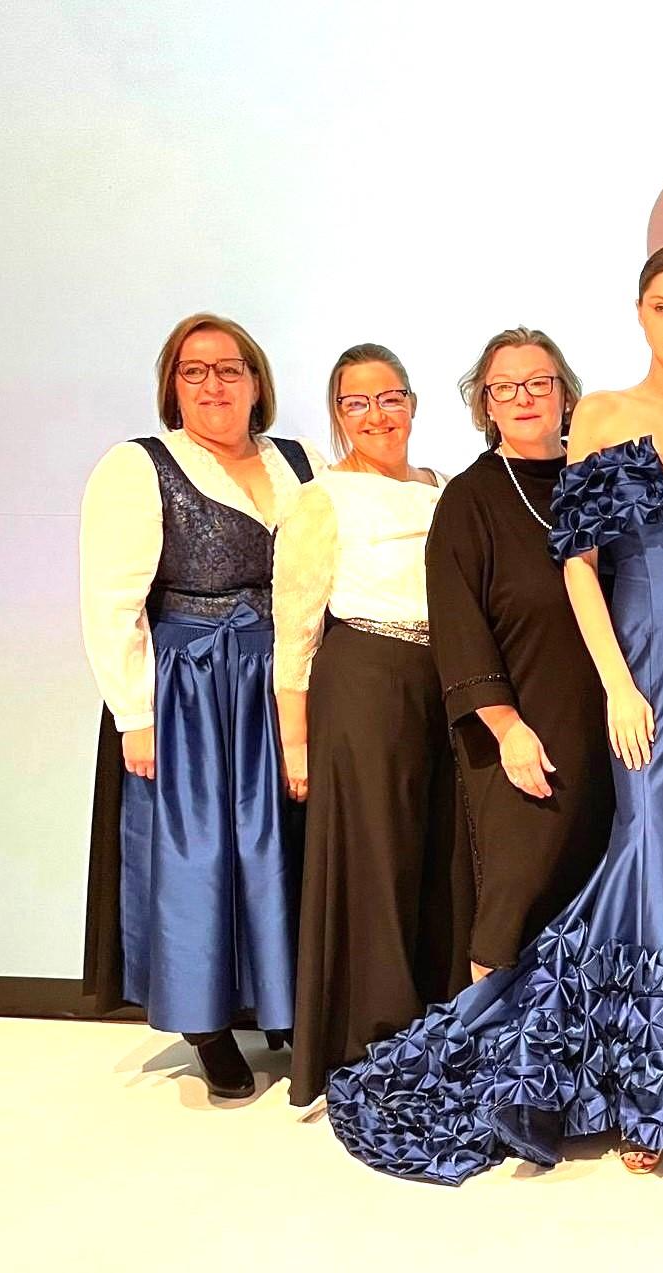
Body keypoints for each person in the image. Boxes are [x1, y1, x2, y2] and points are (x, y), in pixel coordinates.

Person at [327, 248, 663, 1184]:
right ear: (640, 314)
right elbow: (579, 564)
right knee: (650, 840)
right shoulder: (600, 416)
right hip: (641, 662)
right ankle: (651, 1091)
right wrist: (617, 684)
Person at [80, 312, 322, 1100]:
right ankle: (206, 1025)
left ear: (256, 381)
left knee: (279, 846)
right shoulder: (139, 466)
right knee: (198, 854)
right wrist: (135, 715)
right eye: (194, 371)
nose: (213, 384)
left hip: (279, 678)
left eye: (229, 369)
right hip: (191, 684)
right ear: (172, 387)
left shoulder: (299, 462)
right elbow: (111, 600)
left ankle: (286, 1007)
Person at [274, 344, 471, 1108]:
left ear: (413, 404)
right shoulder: (322, 497)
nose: (376, 415)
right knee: (377, 865)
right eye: (356, 403)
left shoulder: (443, 488)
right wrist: (296, 742)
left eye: (389, 398)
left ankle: (437, 1034)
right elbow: (294, 628)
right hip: (364, 677)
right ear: (337, 415)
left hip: (441, 679)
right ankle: (376, 1046)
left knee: (441, 861)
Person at [424, 328, 613, 980]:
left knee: (596, 898)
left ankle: (571, 1036)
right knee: (516, 894)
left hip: (609, 728)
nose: (524, 398)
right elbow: (458, 628)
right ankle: (491, 1037)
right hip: (520, 731)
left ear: (566, 395)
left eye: (538, 382)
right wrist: (507, 729)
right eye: (505, 387)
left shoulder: (600, 484)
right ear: (486, 404)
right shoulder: (469, 500)